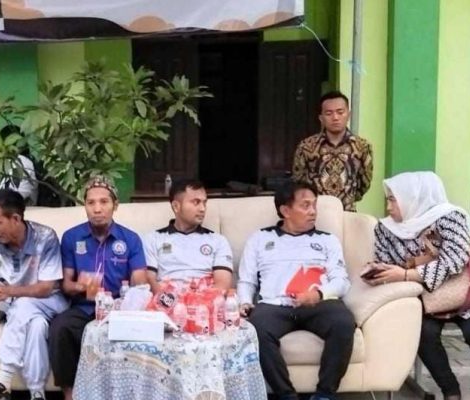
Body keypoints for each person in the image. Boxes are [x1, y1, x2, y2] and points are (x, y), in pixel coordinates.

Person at [364, 171, 470, 400]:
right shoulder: (385, 229)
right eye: (388, 200)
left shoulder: (449, 217)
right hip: (424, 300)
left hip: (467, 296)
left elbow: (454, 261)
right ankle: (451, 391)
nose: (388, 207)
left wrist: (407, 274)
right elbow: (384, 260)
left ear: (413, 198)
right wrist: (378, 272)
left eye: (393, 200)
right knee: (423, 333)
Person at [238, 181, 355, 400]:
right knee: (254, 330)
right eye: (305, 205)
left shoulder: (327, 240)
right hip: (274, 305)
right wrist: (244, 302)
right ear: (285, 210)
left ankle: (324, 394)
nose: (313, 211)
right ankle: (286, 395)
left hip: (319, 302)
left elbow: (341, 281)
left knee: (344, 322)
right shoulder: (260, 239)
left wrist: (318, 294)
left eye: (314, 205)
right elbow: (246, 280)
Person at [48, 175, 147, 400]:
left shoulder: (130, 239)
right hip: (84, 307)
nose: (97, 209)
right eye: (91, 202)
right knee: (60, 328)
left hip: (119, 309)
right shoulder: (72, 237)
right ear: (85, 206)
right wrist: (81, 285)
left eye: (104, 202)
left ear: (115, 205)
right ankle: (70, 394)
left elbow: (140, 281)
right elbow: (66, 285)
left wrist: (129, 298)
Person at [0, 189, 67, 400]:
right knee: (37, 326)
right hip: (16, 309)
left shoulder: (44, 237)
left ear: (15, 219)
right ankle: (37, 393)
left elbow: (46, 287)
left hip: (51, 301)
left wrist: (9, 291)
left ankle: (3, 379)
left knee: (23, 305)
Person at [144, 179, 233, 293]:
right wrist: (167, 300)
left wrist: (197, 301)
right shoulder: (154, 239)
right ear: (176, 206)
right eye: (196, 202)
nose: (202, 209)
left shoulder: (218, 241)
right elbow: (149, 280)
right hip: (166, 299)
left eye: (204, 203)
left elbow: (222, 285)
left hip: (206, 299)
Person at [292, 91, 373, 212]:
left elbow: (364, 184)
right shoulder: (306, 146)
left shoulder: (362, 147)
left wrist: (348, 198)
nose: (335, 118)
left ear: (348, 115)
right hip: (315, 213)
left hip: (347, 213)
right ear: (321, 118)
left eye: (340, 112)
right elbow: (298, 181)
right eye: (329, 113)